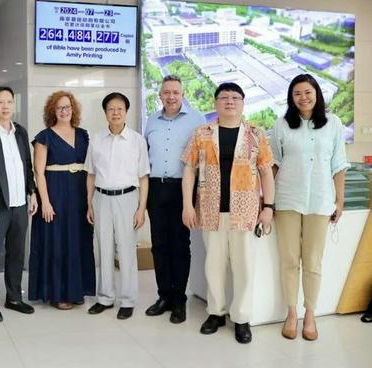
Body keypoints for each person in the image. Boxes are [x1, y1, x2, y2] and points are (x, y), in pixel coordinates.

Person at [182, 82, 275, 345]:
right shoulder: (202, 133)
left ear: (243, 103)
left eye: (235, 98)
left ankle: (242, 318)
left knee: (244, 267)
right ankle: (216, 313)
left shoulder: (256, 135)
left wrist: (268, 207)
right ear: (216, 103)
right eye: (224, 98)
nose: (230, 102)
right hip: (211, 211)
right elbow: (189, 169)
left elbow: (266, 171)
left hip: (245, 213)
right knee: (213, 266)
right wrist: (188, 205)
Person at [271, 74, 349, 341]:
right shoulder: (282, 125)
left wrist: (340, 200)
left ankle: (310, 314)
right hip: (287, 200)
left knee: (313, 261)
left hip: (320, 200)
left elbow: (338, 164)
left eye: (308, 92)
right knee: (290, 260)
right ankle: (291, 313)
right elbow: (273, 164)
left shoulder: (333, 123)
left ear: (316, 93)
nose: (303, 97)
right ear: (291, 98)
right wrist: (266, 200)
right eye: (297, 93)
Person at [144, 75, 206, 323]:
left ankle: (179, 299)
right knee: (159, 243)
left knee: (180, 244)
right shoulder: (151, 120)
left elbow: (202, 158)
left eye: (175, 93)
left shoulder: (197, 119)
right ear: (160, 95)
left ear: (182, 95)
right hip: (156, 187)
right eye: (166, 92)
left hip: (184, 188)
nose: (171, 97)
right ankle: (164, 296)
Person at [28, 91, 95, 309]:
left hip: (79, 193)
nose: (65, 111)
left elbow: (91, 168)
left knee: (78, 241)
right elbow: (39, 172)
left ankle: (77, 290)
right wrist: (45, 202)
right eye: (60, 108)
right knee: (57, 243)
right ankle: (58, 293)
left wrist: (90, 200)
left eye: (68, 107)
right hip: (54, 193)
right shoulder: (44, 136)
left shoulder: (84, 135)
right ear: (52, 111)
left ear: (73, 109)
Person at [86, 92, 150, 320]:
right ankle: (104, 297)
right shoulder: (96, 139)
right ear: (105, 113)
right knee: (102, 248)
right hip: (101, 199)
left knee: (126, 250)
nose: (115, 112)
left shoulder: (137, 140)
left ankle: (128, 300)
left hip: (127, 199)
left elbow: (143, 178)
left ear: (126, 112)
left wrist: (141, 208)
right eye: (111, 109)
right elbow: (91, 175)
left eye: (119, 109)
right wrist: (89, 205)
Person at [0, 86, 37, 322]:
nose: (5, 106)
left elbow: (27, 166)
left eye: (9, 102)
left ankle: (14, 297)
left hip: (19, 205)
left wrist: (31, 192)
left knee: (16, 253)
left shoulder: (21, 132)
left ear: (14, 104)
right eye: (0, 102)